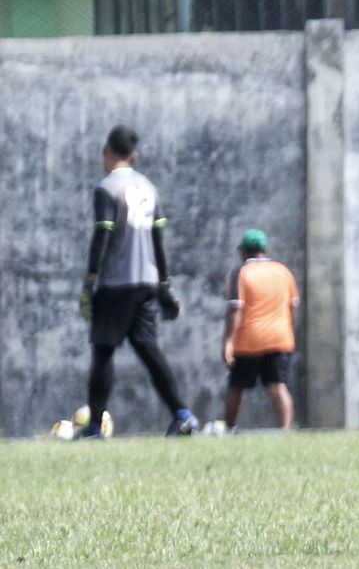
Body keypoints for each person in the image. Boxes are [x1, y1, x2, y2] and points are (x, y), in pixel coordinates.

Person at [79, 125, 200, 437]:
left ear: (106, 151)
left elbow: (101, 236)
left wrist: (90, 282)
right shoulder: (148, 187)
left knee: (103, 352)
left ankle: (94, 427)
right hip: (147, 282)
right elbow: (158, 239)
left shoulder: (107, 189)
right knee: (149, 350)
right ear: (135, 156)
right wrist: (165, 284)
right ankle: (183, 414)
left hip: (116, 283)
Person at [222, 229, 300, 430]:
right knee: (278, 386)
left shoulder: (240, 273)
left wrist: (228, 342)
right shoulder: (283, 271)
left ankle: (230, 429)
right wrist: (288, 330)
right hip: (280, 338)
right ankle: (285, 430)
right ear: (264, 250)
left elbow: (235, 309)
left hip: (249, 340)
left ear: (244, 251)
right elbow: (293, 307)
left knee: (237, 387)